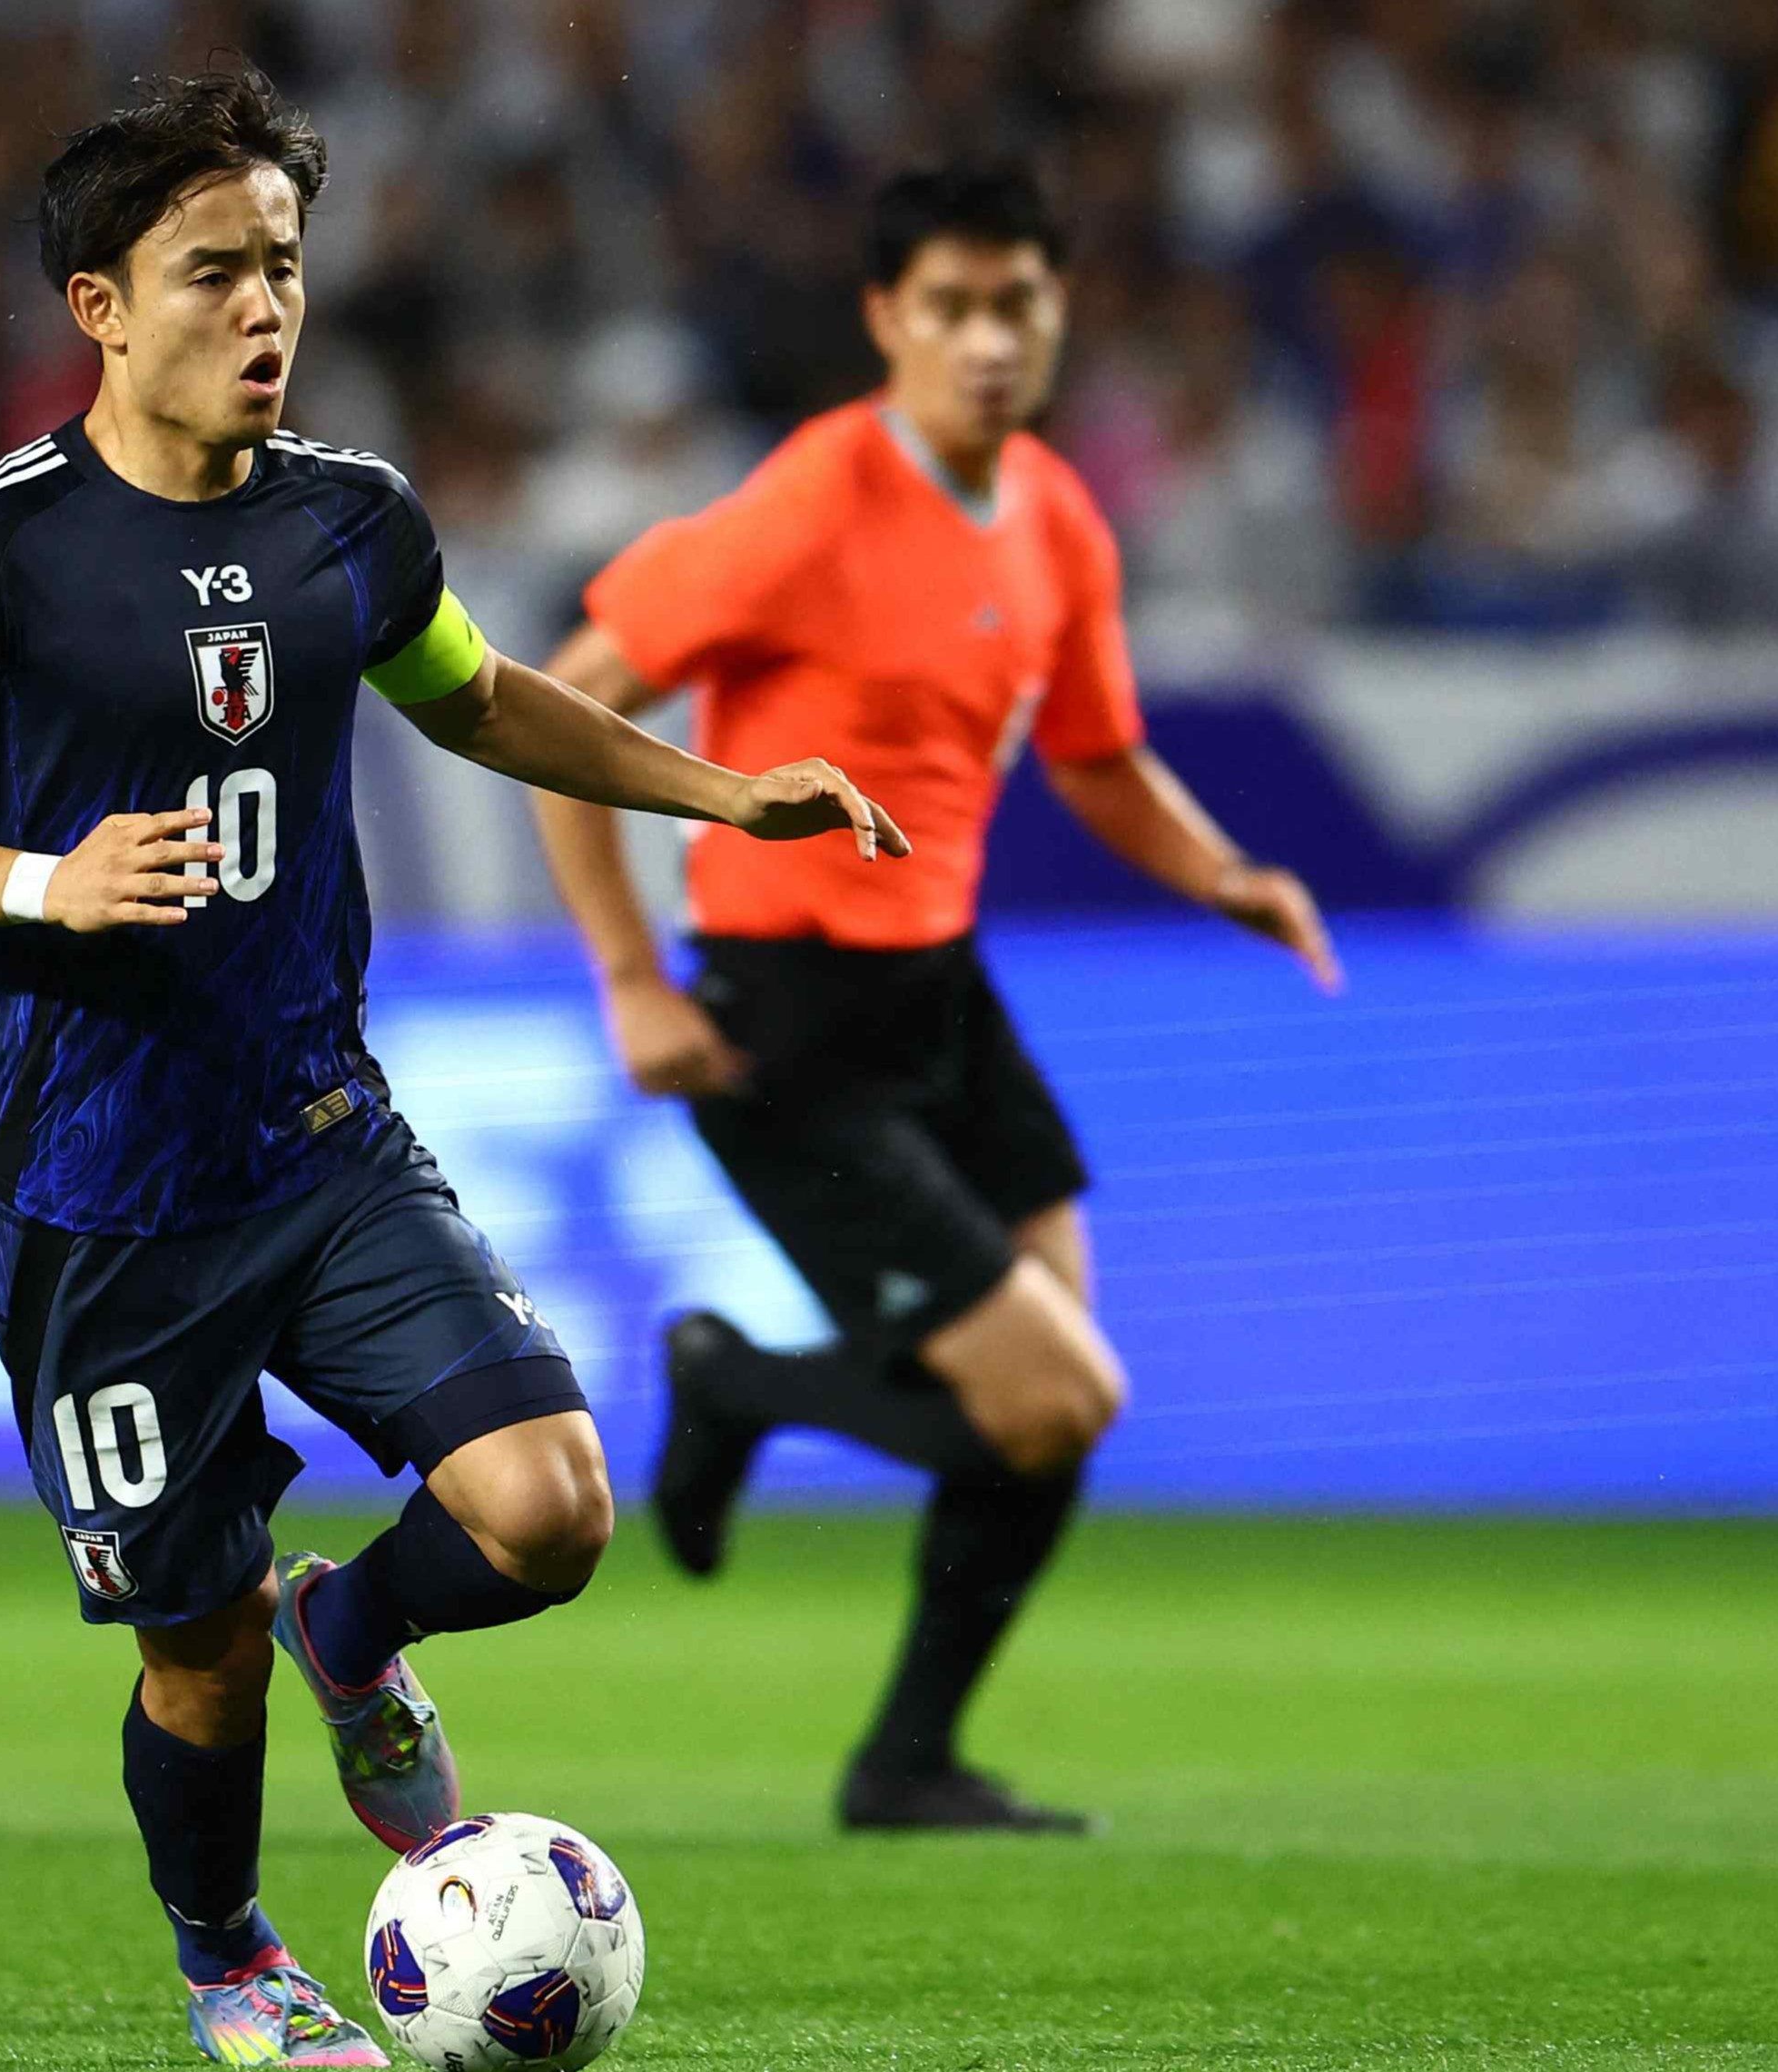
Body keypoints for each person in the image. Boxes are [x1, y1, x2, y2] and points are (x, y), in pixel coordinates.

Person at [0, 70, 904, 2067]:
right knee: (189, 1662)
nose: (263, 306)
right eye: (213, 270)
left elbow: (481, 701)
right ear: (101, 307)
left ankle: (359, 1626)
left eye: (283, 264)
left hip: (323, 1145)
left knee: (552, 1506)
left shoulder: (351, 519)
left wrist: (724, 795)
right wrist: (42, 880)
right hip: (98, 1197)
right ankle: (227, 1945)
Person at [526, 159, 1340, 1836]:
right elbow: (558, 712)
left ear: (1054, 314)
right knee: (1058, 1393)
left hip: (940, 995)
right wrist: (625, 975)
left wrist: (1220, 874)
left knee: (1048, 1408)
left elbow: (1100, 759)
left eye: (1017, 304)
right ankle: (733, 1383)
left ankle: (906, 1761)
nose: (987, 340)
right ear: (887, 318)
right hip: (785, 1014)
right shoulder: (808, 502)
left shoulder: (1051, 515)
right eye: (952, 307)